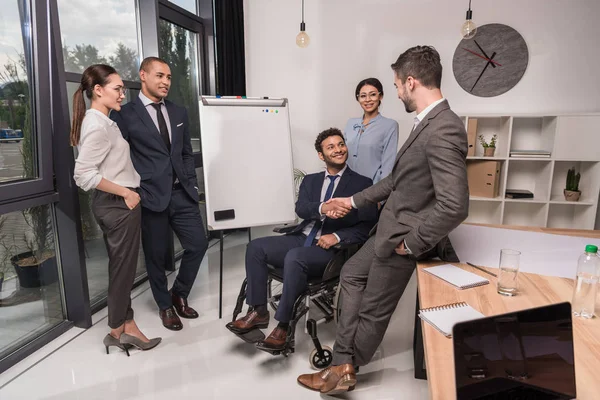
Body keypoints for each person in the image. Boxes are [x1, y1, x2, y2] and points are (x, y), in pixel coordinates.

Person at [297, 46, 469, 394]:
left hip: (402, 238)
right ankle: (343, 359)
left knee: (374, 309)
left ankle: (343, 368)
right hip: (386, 229)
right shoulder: (426, 122)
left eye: (395, 85)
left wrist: (413, 243)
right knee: (351, 273)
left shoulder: (444, 128)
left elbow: (455, 205)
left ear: (410, 81)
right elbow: (397, 181)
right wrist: (352, 199)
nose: (396, 92)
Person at [226, 128, 377, 352]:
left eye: (340, 144)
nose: (338, 150)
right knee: (256, 247)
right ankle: (258, 311)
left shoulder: (362, 183)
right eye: (331, 147)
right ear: (321, 155)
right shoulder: (311, 181)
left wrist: (337, 236)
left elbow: (368, 226)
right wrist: (323, 207)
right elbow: (302, 208)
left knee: (294, 257)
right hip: (302, 237)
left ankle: (284, 326)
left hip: (331, 248)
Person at [111, 57, 208, 331]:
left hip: (182, 195)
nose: (166, 81)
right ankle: (165, 306)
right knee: (154, 256)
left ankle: (179, 292)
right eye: (160, 75)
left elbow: (186, 153)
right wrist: (133, 190)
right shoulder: (124, 114)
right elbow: (119, 158)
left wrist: (193, 184)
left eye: (169, 77)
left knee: (198, 244)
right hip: (150, 197)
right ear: (143, 75)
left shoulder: (179, 112)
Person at [72, 64, 161, 355]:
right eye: (117, 88)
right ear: (98, 90)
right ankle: (116, 329)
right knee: (123, 270)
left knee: (122, 268)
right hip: (118, 204)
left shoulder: (103, 121)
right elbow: (83, 175)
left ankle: (126, 327)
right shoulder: (98, 125)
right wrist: (126, 193)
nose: (123, 94)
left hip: (118, 203)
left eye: (123, 89)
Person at [343, 78, 399, 184]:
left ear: (380, 96)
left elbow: (388, 164)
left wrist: (380, 195)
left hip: (371, 188)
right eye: (363, 96)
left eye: (372, 94)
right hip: (346, 186)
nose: (368, 99)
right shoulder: (351, 124)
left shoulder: (390, 125)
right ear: (358, 98)